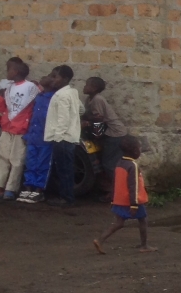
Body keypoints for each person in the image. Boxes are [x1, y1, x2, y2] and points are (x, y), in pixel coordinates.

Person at [93, 135, 155, 254]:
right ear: (135, 151)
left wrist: (113, 198)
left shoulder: (119, 163)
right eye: (139, 148)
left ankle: (100, 240)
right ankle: (144, 245)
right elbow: (133, 186)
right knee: (143, 220)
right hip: (132, 200)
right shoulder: (133, 166)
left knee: (119, 223)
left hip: (120, 199)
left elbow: (115, 182)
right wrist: (134, 204)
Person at [0, 58, 39, 201]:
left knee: (16, 160)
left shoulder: (31, 87)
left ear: (15, 71)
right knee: (2, 157)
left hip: (21, 128)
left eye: (9, 69)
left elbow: (32, 105)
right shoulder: (10, 88)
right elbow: (7, 105)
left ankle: (11, 188)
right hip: (7, 126)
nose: (7, 72)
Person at [42, 64, 84, 207]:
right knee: (66, 169)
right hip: (69, 137)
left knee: (64, 169)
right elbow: (81, 110)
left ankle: (66, 198)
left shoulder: (61, 95)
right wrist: (74, 120)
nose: (52, 80)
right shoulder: (72, 92)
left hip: (62, 138)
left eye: (55, 77)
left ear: (65, 79)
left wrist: (58, 137)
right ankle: (67, 196)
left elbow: (63, 119)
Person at [82, 76, 127, 200]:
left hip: (115, 134)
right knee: (106, 163)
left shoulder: (97, 99)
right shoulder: (89, 99)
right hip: (109, 134)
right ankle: (114, 190)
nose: (84, 86)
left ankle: (117, 193)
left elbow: (99, 119)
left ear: (94, 88)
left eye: (87, 84)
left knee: (109, 164)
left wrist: (96, 136)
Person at [17, 72, 58, 204]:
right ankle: (28, 188)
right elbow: (32, 117)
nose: (44, 77)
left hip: (46, 138)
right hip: (33, 136)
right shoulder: (38, 97)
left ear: (53, 82)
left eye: (50, 76)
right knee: (30, 163)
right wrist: (28, 134)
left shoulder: (55, 98)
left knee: (43, 164)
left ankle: (39, 191)